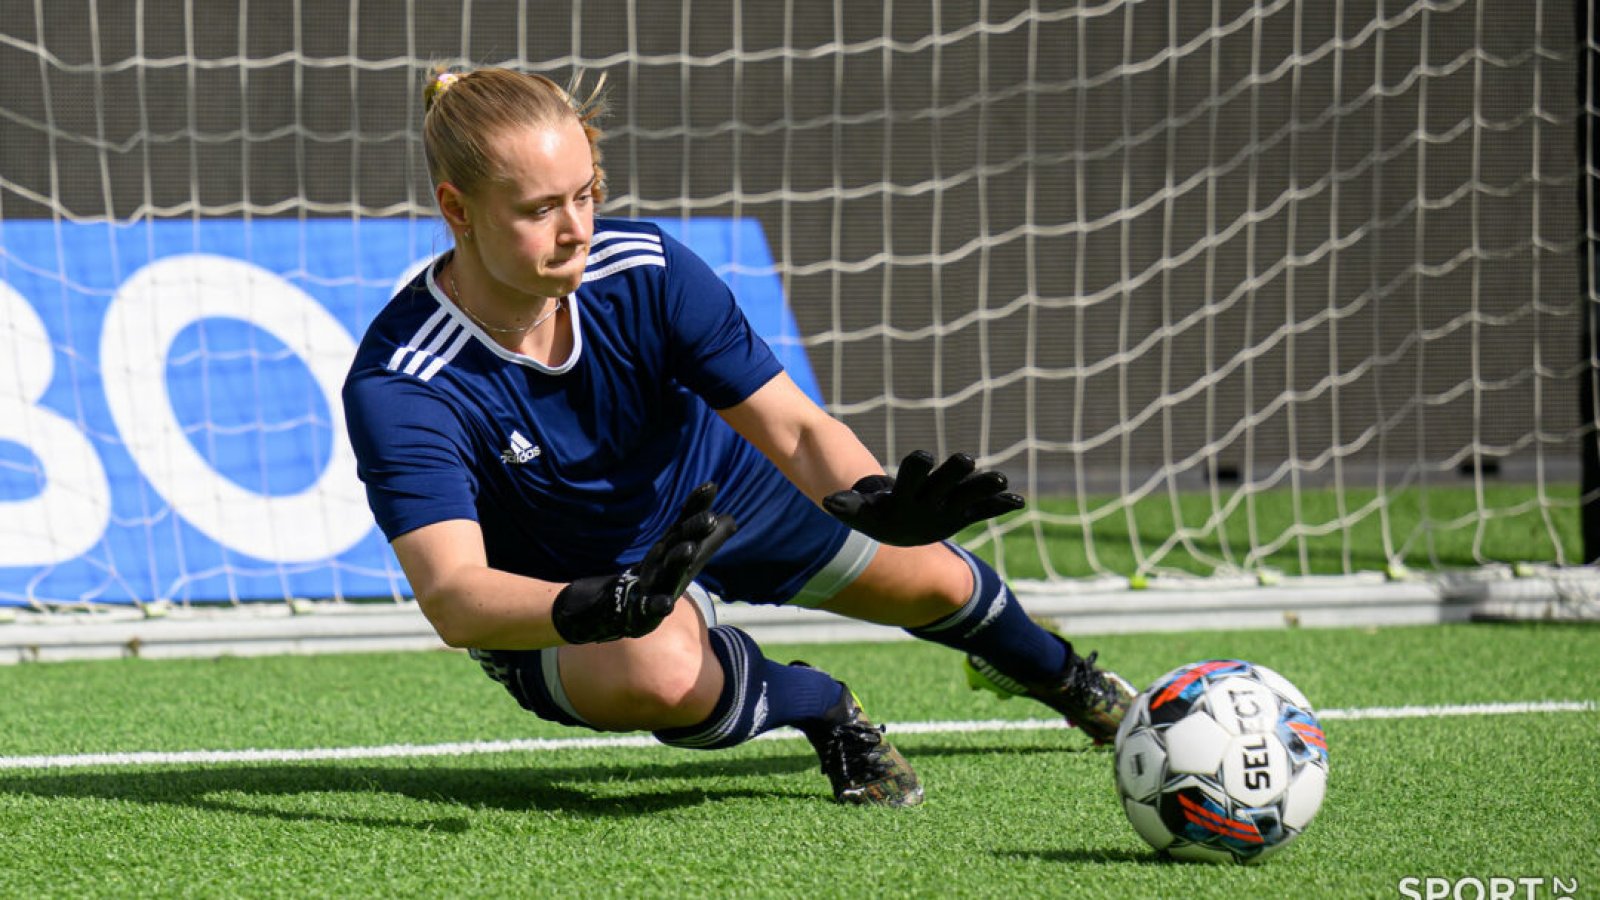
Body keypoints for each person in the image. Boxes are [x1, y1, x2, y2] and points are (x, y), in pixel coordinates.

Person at [342, 66, 1136, 808]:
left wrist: (875, 501)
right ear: (457, 210)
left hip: (718, 493)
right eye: (541, 209)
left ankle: (1067, 681)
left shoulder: (648, 269)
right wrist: (599, 602)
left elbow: (793, 427)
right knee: (655, 676)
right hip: (567, 587)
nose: (576, 229)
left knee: (938, 583)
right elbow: (455, 598)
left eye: (586, 195)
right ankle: (823, 706)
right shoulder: (402, 384)